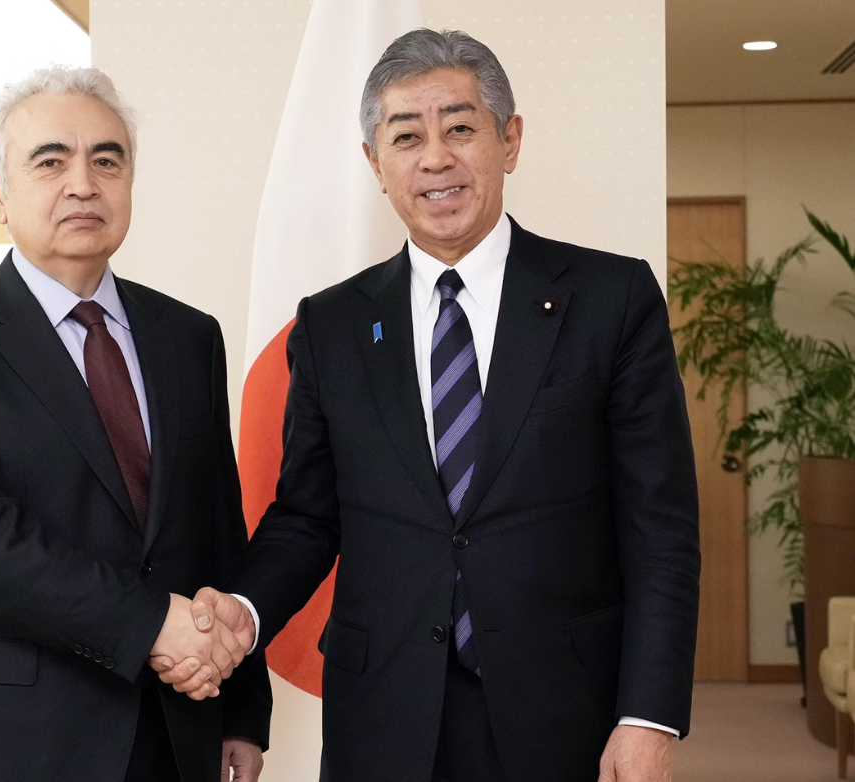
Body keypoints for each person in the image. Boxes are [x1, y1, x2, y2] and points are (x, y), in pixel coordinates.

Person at [156, 29, 700, 782]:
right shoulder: (331, 325)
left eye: (461, 128)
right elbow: (308, 516)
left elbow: (660, 529)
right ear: (375, 163)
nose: (435, 158)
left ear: (510, 141)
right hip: (384, 718)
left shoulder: (612, 300)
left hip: (565, 714)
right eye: (406, 137)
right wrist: (241, 615)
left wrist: (648, 717)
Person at [0, 65, 270, 782]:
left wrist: (241, 712)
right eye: (50, 161)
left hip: (176, 722)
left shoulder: (190, 337)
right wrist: (151, 623)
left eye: (107, 161)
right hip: (9, 733)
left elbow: (218, 528)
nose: (84, 184)